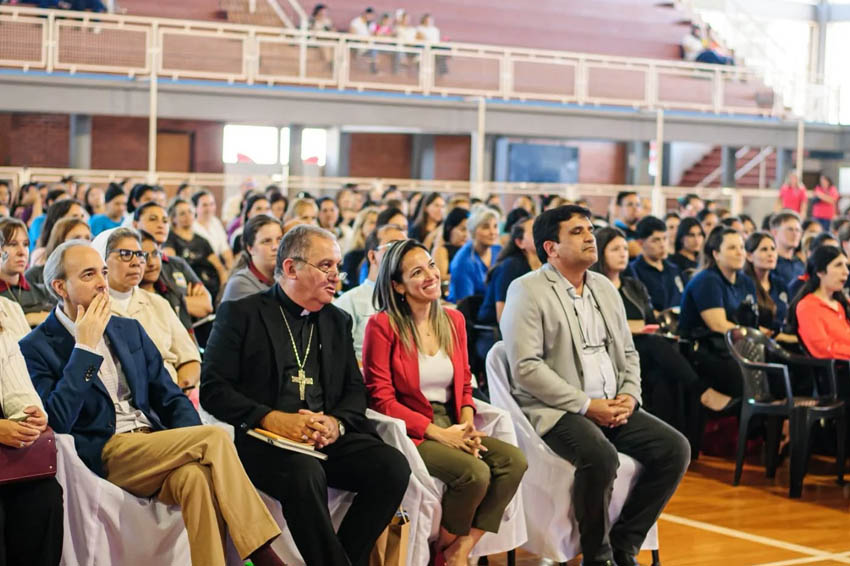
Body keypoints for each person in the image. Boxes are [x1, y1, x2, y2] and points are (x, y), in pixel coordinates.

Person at [20, 241, 286, 566]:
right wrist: (85, 349)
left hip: (154, 442)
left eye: (102, 272)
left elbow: (170, 396)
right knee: (215, 437)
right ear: (60, 287)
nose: (102, 282)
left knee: (195, 478)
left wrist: (187, 444)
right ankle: (262, 553)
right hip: (104, 450)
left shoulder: (128, 329)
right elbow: (59, 419)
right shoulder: (35, 347)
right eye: (89, 275)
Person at [201, 224, 411, 566]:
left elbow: (354, 390)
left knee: (392, 467)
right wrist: (271, 419)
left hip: (323, 438)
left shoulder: (336, 320)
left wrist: (336, 423)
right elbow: (213, 388)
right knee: (304, 471)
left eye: (337, 266)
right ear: (291, 268)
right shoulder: (242, 314)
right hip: (265, 442)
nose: (336, 276)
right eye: (325, 266)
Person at [500, 205, 690, 566]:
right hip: (557, 409)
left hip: (611, 403)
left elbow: (628, 352)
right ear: (550, 248)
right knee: (600, 456)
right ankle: (597, 556)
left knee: (674, 449)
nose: (590, 237)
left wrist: (629, 396)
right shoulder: (526, 290)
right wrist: (587, 406)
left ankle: (624, 543)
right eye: (577, 232)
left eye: (590, 229)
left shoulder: (603, 286)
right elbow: (526, 368)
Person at [362, 239, 526, 566]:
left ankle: (458, 549)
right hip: (409, 430)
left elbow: (464, 382)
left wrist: (465, 425)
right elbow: (381, 400)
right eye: (416, 272)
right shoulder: (382, 325)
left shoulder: (453, 320)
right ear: (397, 286)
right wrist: (439, 433)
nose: (430, 275)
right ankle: (445, 555)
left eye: (431, 266)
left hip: (451, 421)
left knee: (514, 462)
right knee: (474, 473)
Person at [593, 227, 734, 425]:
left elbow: (651, 321)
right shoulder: (594, 286)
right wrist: (630, 328)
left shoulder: (634, 286)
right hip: (615, 349)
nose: (623, 254)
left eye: (625, 248)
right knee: (654, 344)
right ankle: (702, 392)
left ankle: (680, 436)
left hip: (642, 350)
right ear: (601, 253)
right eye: (615, 249)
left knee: (664, 371)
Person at [0, 295, 63, 566]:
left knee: (44, 495)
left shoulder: (3, 313)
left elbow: (19, 385)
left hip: (5, 447)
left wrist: (31, 414)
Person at [101, 228, 201, 390]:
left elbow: (189, 358)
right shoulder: (94, 309)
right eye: (125, 254)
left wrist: (182, 389)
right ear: (103, 260)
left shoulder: (158, 303)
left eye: (140, 254)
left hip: (173, 391)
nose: (136, 262)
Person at [678, 227, 757, 398]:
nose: (740, 252)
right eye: (732, 248)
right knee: (741, 372)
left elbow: (751, 322)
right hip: (703, 349)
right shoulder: (707, 280)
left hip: (734, 346)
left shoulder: (746, 281)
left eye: (742, 247)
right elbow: (718, 325)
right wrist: (751, 336)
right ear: (716, 254)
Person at [132, 202, 213, 330]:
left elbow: (206, 305)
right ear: (135, 224)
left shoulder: (177, 263)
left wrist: (173, 303)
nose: (161, 225)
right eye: (153, 219)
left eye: (165, 221)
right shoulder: (133, 263)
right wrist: (183, 300)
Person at [334, 224, 406, 362]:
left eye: (405, 248)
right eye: (393, 246)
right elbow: (338, 357)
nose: (402, 254)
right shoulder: (350, 301)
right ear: (372, 256)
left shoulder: (413, 299)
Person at [789, 246, 850, 359]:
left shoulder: (843, 303)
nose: (846, 272)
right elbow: (823, 350)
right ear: (820, 272)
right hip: (837, 368)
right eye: (838, 265)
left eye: (846, 265)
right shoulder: (807, 307)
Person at [478, 215, 539, 326]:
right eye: (534, 232)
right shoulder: (510, 267)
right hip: (495, 331)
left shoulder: (547, 264)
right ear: (520, 242)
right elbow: (502, 317)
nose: (542, 235)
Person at [164, 199, 228, 302]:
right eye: (182, 213)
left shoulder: (202, 241)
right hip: (189, 292)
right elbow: (171, 266)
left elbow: (220, 268)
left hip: (212, 289)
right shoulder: (169, 239)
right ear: (173, 218)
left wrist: (223, 292)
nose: (187, 216)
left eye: (190, 212)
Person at [0, 218, 53, 327]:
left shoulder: (43, 292)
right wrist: (29, 319)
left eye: (25, 244)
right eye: (12, 244)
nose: (22, 252)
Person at [744, 232, 794, 341]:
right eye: (764, 250)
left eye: (773, 249)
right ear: (749, 256)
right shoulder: (743, 284)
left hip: (780, 341)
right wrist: (787, 338)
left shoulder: (780, 284)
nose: (770, 254)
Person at [221, 215, 284, 303]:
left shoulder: (283, 277)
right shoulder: (240, 284)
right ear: (250, 248)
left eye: (279, 239)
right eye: (267, 241)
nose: (275, 247)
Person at [628, 216, 683, 313]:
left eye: (664, 239)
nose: (662, 245)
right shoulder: (633, 271)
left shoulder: (674, 269)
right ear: (640, 243)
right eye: (655, 240)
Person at [26, 217, 91, 298]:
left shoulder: (97, 273)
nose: (84, 243)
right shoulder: (34, 275)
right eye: (76, 238)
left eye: (87, 238)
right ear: (60, 241)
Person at [448, 206, 500, 303]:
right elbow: (464, 304)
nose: (493, 232)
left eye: (495, 226)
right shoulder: (463, 261)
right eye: (486, 227)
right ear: (473, 231)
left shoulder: (499, 251)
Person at [31, 199, 87, 266]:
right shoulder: (41, 256)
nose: (81, 221)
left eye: (82, 216)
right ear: (58, 221)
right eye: (74, 217)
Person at [192, 190, 234, 271]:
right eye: (204, 205)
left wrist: (231, 270)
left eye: (212, 204)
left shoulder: (215, 222)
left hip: (218, 268)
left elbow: (225, 250)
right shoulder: (192, 226)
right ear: (195, 208)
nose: (209, 208)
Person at [433, 207, 470, 286]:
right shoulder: (442, 250)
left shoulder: (469, 249)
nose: (466, 234)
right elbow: (440, 277)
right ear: (449, 228)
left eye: (469, 230)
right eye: (462, 229)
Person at [770, 211, 805, 289]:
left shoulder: (801, 264)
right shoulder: (770, 263)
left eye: (798, 230)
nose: (795, 234)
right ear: (775, 232)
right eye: (790, 229)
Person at [612, 191, 642, 258]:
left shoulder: (642, 231)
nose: (635, 208)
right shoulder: (614, 232)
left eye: (638, 204)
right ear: (619, 208)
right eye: (630, 204)